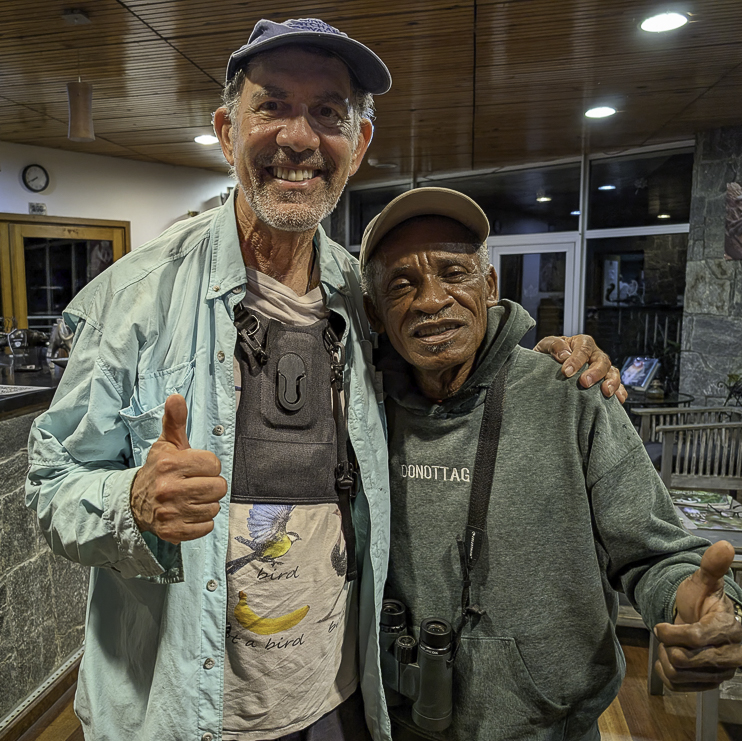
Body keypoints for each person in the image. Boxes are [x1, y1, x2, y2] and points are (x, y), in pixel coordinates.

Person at [25, 18, 621, 741]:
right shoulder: (134, 299)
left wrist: (549, 356)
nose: (299, 137)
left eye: (328, 113)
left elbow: (453, 357)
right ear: (227, 131)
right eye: (273, 105)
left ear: (359, 144)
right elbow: (49, 486)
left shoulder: (364, 299)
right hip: (180, 708)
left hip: (339, 703)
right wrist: (133, 501)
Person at [359, 187, 742, 741]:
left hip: (553, 727)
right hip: (398, 721)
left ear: (489, 286)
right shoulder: (360, 411)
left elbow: (654, 553)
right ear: (374, 312)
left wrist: (704, 608)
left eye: (454, 272)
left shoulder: (571, 394)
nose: (431, 300)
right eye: (402, 285)